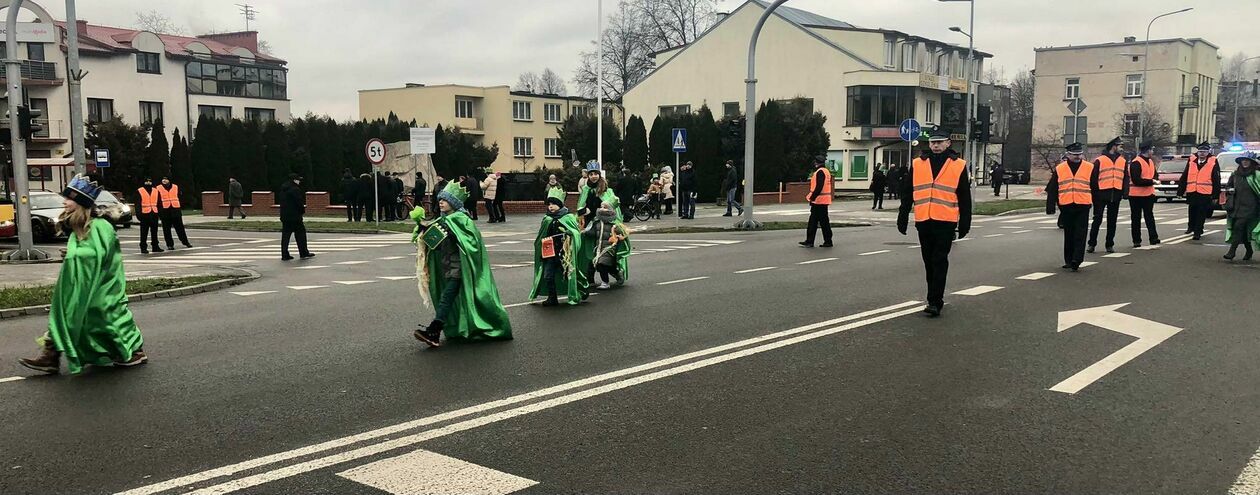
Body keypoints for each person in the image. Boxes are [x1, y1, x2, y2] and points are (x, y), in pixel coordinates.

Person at [18, 175, 147, 374]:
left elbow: (97, 254)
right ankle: (50, 355)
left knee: (103, 315)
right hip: (76, 280)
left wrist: (74, 254)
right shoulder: (77, 225)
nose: (64, 202)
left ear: (80, 203)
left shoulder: (100, 226)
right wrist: (73, 254)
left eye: (69, 199)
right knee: (63, 313)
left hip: (101, 282)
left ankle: (133, 350)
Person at [412, 181, 513, 347]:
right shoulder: (443, 220)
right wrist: (423, 230)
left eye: (445, 200)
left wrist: (450, 232)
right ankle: (452, 328)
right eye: (440, 199)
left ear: (454, 202)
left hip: (461, 268)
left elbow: (470, 244)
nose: (441, 202)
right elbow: (437, 245)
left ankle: (434, 330)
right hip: (449, 267)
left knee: (447, 298)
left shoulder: (461, 220)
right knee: (450, 299)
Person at [897, 130, 971, 317]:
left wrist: (965, 222)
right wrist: (903, 215)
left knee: (939, 260)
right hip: (924, 220)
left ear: (948, 143)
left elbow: (964, 196)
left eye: (939, 142)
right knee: (928, 261)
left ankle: (935, 300)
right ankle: (933, 296)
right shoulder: (918, 164)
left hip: (945, 221)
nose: (936, 145)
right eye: (932, 142)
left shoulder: (958, 165)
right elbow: (908, 192)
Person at [530, 197, 590, 305]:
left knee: (569, 274)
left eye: (553, 204)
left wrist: (570, 233)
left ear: (559, 205)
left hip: (564, 253)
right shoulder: (547, 219)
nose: (550, 206)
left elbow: (576, 232)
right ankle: (552, 298)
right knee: (548, 276)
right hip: (550, 252)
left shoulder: (568, 217)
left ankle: (582, 290)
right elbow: (542, 234)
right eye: (549, 204)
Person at [1047, 142, 1097, 271]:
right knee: (1069, 233)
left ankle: (1077, 259)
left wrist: (1098, 205)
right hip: (1066, 205)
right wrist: (1050, 206)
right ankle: (1068, 260)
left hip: (1083, 205)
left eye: (1079, 154)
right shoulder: (1060, 168)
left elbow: (1095, 188)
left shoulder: (1089, 167)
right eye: (1074, 154)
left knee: (1080, 233)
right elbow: (1053, 188)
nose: (1077, 156)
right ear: (1068, 155)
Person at [1088, 137, 1127, 253]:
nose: (1121, 148)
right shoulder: (1100, 160)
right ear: (1113, 146)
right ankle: (1091, 244)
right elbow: (1093, 178)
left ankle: (1109, 244)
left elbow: (1125, 177)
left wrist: (1125, 192)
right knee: (1097, 219)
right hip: (1101, 194)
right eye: (1120, 146)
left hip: (1116, 193)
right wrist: (1095, 193)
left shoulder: (1122, 161)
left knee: (1112, 221)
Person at [1178, 141, 1222, 240]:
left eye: (1204, 152)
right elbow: (1185, 175)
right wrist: (1180, 190)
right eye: (1200, 151)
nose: (1202, 153)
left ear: (1208, 152)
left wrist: (1216, 194)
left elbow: (1216, 179)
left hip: (1205, 192)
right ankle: (1191, 227)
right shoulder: (1192, 160)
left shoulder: (1213, 161)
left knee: (1201, 212)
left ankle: (1198, 231)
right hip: (1192, 190)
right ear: (1197, 152)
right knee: (1192, 210)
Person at [582, 201, 631, 289]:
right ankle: (616, 273)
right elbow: (592, 233)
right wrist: (584, 232)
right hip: (598, 248)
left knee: (602, 264)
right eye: (601, 206)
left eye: (605, 207)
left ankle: (605, 282)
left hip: (610, 248)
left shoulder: (615, 224)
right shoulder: (596, 222)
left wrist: (621, 237)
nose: (602, 209)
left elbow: (623, 233)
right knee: (601, 265)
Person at [1224, 151, 1260, 261]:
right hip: (1236, 207)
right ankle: (1249, 250)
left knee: (1238, 226)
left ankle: (1232, 252)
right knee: (1242, 231)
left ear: (1251, 162)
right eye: (1243, 160)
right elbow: (1228, 187)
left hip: (1251, 207)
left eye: (1247, 160)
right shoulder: (1235, 175)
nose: (1245, 162)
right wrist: (1229, 190)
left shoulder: (1256, 175)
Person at [1127, 142, 1161, 247]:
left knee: (1149, 217)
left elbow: (1155, 175)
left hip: (1148, 194)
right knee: (1136, 218)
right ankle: (1136, 240)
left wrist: (1155, 179)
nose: (1153, 151)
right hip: (1136, 195)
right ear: (1147, 150)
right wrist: (1152, 181)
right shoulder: (1136, 162)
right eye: (1152, 149)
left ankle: (1153, 238)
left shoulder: (1150, 161)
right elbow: (1136, 180)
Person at [279, 174, 315, 261]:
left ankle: (284, 254)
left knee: (286, 235)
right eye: (298, 180)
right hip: (295, 216)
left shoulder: (283, 189)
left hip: (285, 216)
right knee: (300, 234)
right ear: (294, 180)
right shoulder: (295, 189)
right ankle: (303, 252)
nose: (299, 181)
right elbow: (299, 202)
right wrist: (302, 211)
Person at [800, 155, 833, 248]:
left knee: (813, 222)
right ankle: (827, 241)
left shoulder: (820, 172)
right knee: (824, 222)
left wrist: (812, 198)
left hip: (818, 201)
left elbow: (819, 187)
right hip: (823, 201)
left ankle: (810, 241)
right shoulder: (826, 171)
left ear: (816, 162)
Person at [156, 177, 192, 250]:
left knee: (180, 228)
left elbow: (180, 197)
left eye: (166, 179)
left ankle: (185, 242)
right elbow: (157, 200)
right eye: (163, 179)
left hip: (175, 210)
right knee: (166, 229)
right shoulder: (158, 188)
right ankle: (170, 245)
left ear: (169, 180)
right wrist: (159, 211)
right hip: (165, 210)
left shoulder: (175, 187)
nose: (164, 180)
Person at [135, 178, 162, 254]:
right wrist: (139, 214)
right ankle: (143, 247)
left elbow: (159, 203)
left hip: (154, 213)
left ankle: (155, 246)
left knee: (154, 232)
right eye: (147, 181)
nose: (148, 182)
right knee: (144, 232)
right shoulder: (140, 191)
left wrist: (159, 213)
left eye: (150, 181)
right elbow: (137, 204)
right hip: (144, 214)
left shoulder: (156, 191)